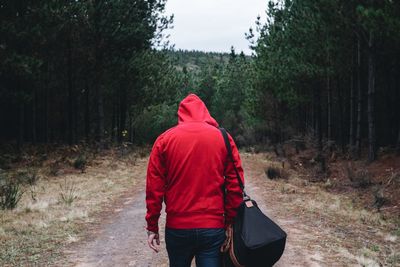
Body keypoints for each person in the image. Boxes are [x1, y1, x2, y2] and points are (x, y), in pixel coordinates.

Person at [145, 93, 244, 267]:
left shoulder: (164, 140)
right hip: (212, 229)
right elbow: (235, 185)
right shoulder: (223, 138)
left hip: (177, 229)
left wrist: (152, 225)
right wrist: (229, 222)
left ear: (181, 114)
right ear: (205, 112)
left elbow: (154, 188)